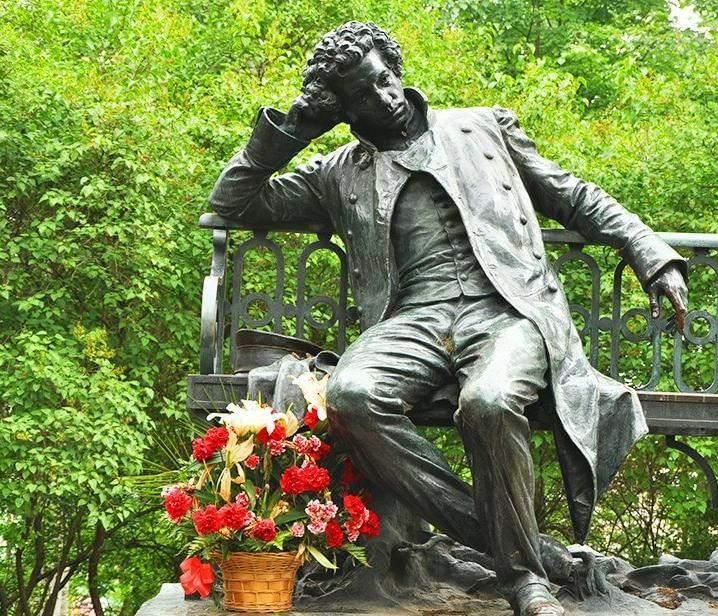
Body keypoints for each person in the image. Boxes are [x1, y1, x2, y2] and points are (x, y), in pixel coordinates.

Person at [209, 21, 687, 616]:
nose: (384, 95)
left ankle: (524, 579)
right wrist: (293, 132)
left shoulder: (483, 127)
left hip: (508, 308)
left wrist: (649, 252)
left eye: (384, 78)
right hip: (414, 319)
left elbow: (572, 195)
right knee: (351, 395)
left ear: (395, 68)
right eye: (363, 95)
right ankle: (525, 551)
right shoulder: (338, 171)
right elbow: (232, 201)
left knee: (489, 401)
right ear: (344, 112)